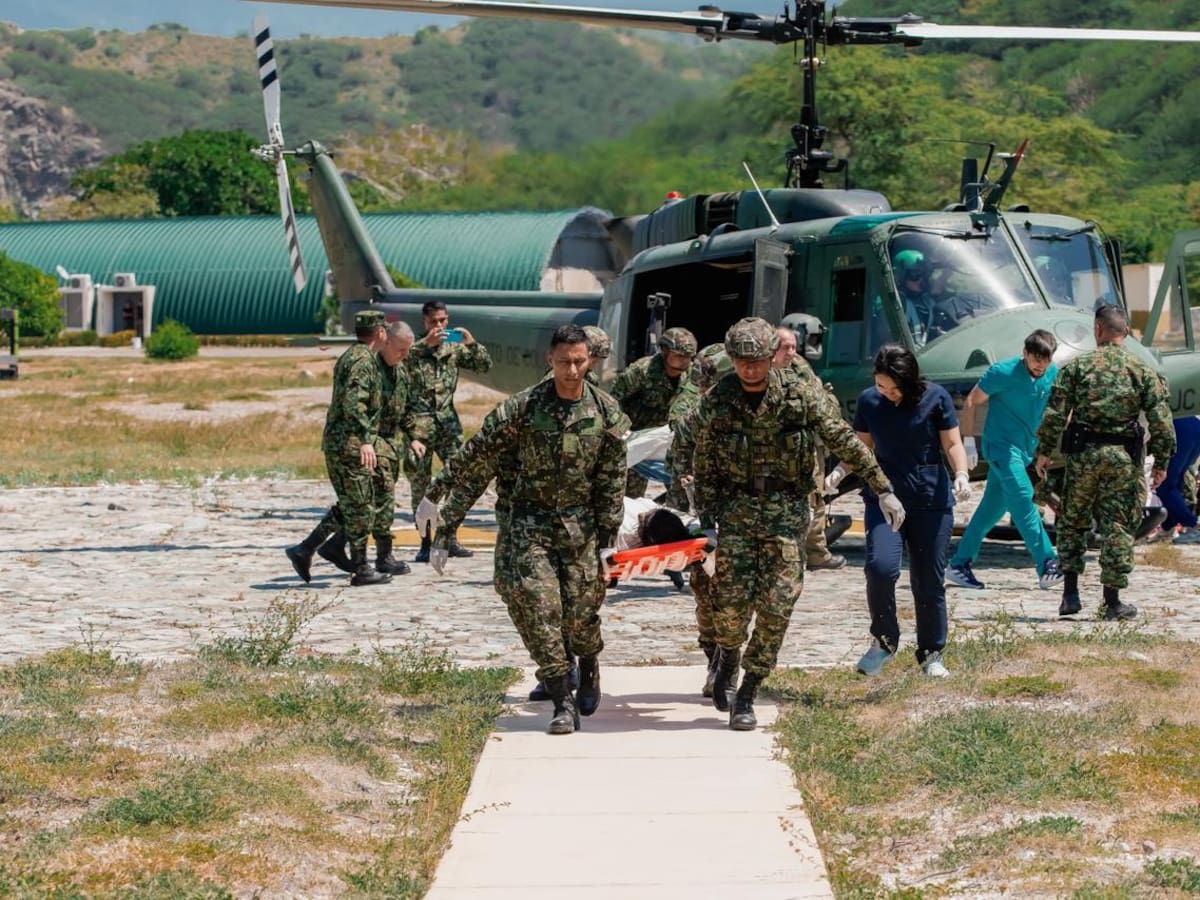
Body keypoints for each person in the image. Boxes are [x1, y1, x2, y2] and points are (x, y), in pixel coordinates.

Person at [419, 324, 629, 735]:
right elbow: (478, 456)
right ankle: (561, 699)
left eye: (579, 361)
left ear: (589, 361)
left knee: (581, 616)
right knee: (540, 608)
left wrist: (608, 539)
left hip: (580, 527)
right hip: (529, 524)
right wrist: (440, 503)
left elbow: (612, 480)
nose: (571, 370)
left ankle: (588, 665)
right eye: (564, 361)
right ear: (549, 360)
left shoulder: (605, 413)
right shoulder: (522, 409)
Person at [693, 318, 902, 731]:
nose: (751, 369)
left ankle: (749, 690)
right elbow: (706, 463)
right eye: (742, 362)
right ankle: (728, 657)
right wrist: (706, 522)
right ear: (732, 360)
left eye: (758, 361)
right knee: (731, 609)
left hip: (787, 510)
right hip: (736, 512)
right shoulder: (718, 401)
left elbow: (844, 439)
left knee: (779, 603)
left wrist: (882, 487)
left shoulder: (800, 395)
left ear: (773, 357)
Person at [831, 343, 972, 679]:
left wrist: (962, 473)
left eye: (894, 387)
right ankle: (884, 641)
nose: (887, 393)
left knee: (928, 582)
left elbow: (952, 443)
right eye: (881, 386)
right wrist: (838, 471)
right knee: (880, 568)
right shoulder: (869, 401)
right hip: (884, 498)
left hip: (930, 501)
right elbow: (860, 448)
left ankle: (932, 653)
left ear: (910, 381)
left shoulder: (935, 398)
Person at [1035, 305, 1175, 620]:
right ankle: (1112, 602)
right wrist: (1163, 460)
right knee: (1119, 525)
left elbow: (1055, 412)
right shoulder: (1140, 369)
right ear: (1124, 331)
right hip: (1123, 459)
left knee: (1072, 521)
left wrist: (1044, 451)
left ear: (1098, 329)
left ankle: (1069, 595)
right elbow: (1162, 421)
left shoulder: (1077, 366)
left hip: (1083, 455)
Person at [947, 330, 1063, 592]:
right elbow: (971, 401)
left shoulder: (1052, 373)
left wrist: (1044, 450)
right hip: (1000, 448)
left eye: (1044, 362)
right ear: (1025, 353)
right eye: (1035, 361)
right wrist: (968, 444)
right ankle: (1047, 564)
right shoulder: (1002, 372)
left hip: (1025, 450)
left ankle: (959, 564)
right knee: (1023, 498)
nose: (1039, 367)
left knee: (992, 510)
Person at [285, 309, 393, 587]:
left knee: (352, 504)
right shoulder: (362, 361)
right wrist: (366, 439)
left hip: (341, 442)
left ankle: (306, 549)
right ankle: (361, 568)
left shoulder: (352, 355)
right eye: (385, 329)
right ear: (379, 332)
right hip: (350, 444)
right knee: (361, 505)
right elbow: (353, 403)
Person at [406, 300, 492, 563]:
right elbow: (396, 359)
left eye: (443, 320)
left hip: (447, 425)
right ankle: (425, 541)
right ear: (425, 322)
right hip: (418, 427)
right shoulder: (413, 350)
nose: (440, 326)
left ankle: (450, 537)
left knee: (459, 479)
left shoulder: (452, 350)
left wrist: (472, 343)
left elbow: (484, 365)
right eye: (434, 322)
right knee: (420, 485)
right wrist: (425, 345)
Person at [773, 322, 846, 571]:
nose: (791, 352)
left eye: (794, 346)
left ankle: (816, 552)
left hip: (807, 445)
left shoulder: (800, 368)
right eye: (785, 347)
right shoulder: (760, 370)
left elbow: (820, 403)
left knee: (816, 496)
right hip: (777, 450)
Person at [609, 326, 698, 498]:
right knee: (629, 494)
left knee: (680, 489)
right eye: (679, 356)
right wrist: (619, 431)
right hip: (636, 438)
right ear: (664, 352)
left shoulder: (692, 373)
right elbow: (612, 403)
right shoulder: (641, 371)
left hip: (667, 439)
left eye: (688, 357)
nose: (685, 361)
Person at [1157, 416, 1200, 542]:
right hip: (1193, 426)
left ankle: (1192, 525)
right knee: (1176, 482)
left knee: (1165, 485)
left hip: (1178, 427)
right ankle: (1168, 527)